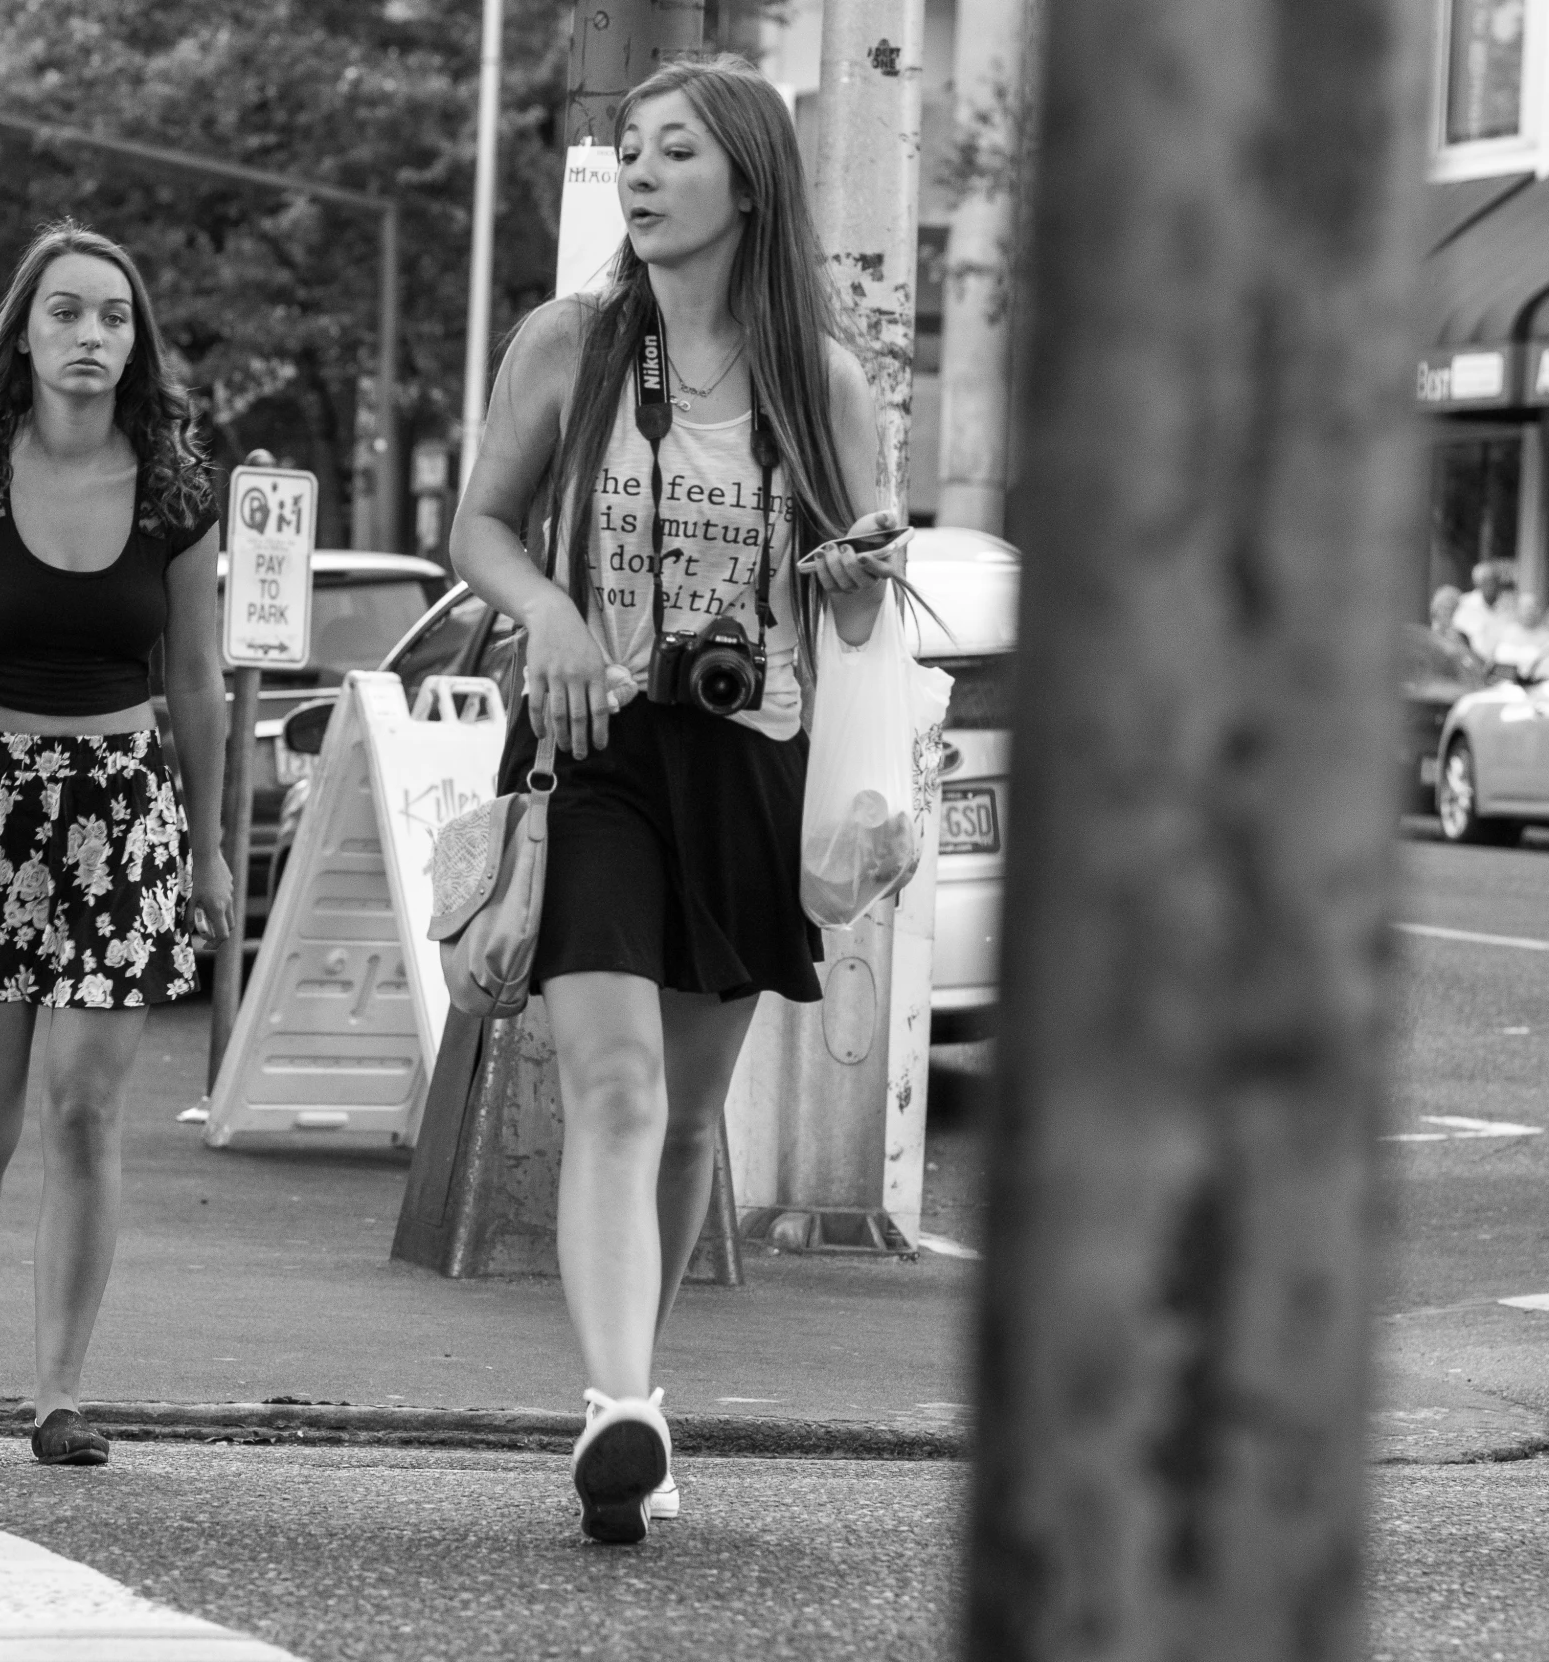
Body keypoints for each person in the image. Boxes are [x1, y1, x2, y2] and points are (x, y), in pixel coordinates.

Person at [452, 54, 907, 1544]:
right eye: (629, 151)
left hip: (750, 761)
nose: (641, 175)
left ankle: (633, 1396)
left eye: (677, 153)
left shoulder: (818, 382)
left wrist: (845, 577)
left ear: (748, 183)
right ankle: (616, 1402)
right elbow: (481, 526)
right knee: (618, 1087)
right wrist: (555, 616)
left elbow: (863, 604)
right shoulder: (571, 347)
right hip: (596, 752)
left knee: (693, 1116)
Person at [0, 220, 231, 1466]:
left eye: (113, 318)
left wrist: (211, 852)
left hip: (123, 812)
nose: (90, 335)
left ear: (138, 344)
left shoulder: (179, 484)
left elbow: (197, 679)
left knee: (84, 1112)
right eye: (66, 312)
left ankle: (59, 1390)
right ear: (26, 331)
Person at [1452, 560, 1518, 661]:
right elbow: (1459, 637)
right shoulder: (1466, 604)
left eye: (1494, 580)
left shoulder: (1510, 606)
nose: (1491, 585)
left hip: (1501, 665)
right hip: (1472, 663)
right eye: (1486, 581)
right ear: (1478, 583)